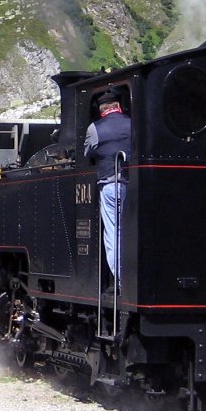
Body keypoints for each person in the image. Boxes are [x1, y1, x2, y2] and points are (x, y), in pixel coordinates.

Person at [83, 90, 131, 288]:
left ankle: (121, 281)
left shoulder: (95, 128)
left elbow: (87, 152)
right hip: (134, 184)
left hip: (110, 184)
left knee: (113, 233)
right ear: (118, 106)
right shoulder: (133, 124)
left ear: (102, 109)